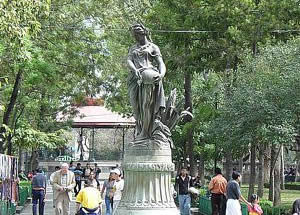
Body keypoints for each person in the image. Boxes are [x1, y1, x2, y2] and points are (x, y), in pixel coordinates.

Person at [127, 23, 167, 140]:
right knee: (136, 107)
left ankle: (146, 133)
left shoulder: (153, 47)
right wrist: (134, 70)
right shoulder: (133, 48)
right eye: (134, 35)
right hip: (136, 78)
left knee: (147, 105)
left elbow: (161, 63)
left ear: (143, 33)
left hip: (149, 76)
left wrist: (161, 74)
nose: (136, 37)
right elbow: (129, 61)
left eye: (137, 34)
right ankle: (140, 131)